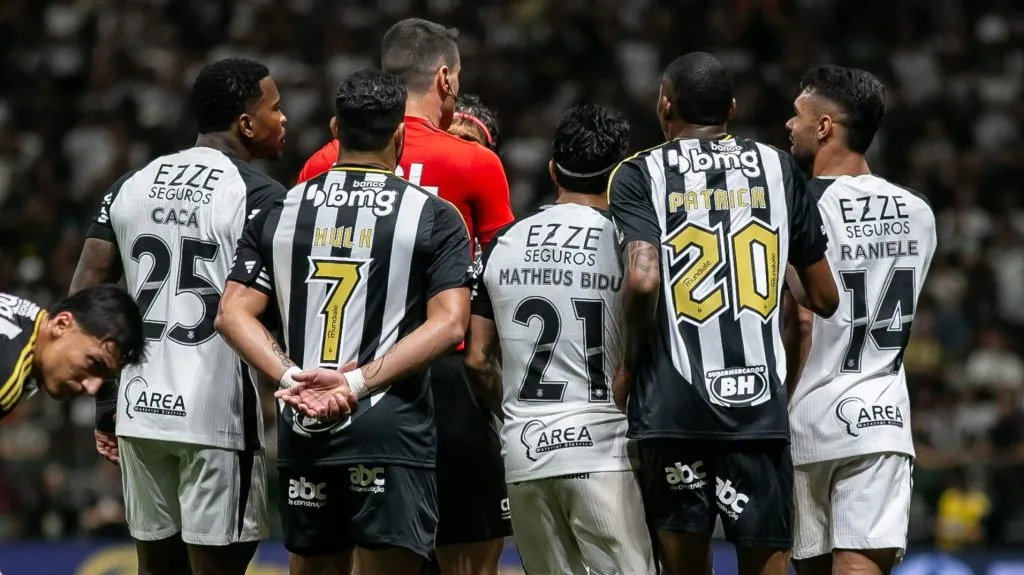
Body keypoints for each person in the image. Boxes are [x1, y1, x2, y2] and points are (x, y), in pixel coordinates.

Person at [216, 69, 472, 575]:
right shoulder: (434, 215)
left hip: (304, 424)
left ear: (336, 129)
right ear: (399, 134)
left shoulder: (280, 208)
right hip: (389, 432)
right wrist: (354, 382)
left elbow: (231, 314)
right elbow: (449, 326)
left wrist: (292, 377)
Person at [607, 51, 840, 575]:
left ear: (664, 105)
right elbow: (821, 300)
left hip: (673, 408)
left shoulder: (639, 172)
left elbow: (642, 279)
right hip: (757, 411)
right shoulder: (779, 169)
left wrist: (625, 369)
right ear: (731, 108)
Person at [298, 18, 514, 575]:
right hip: (447, 377)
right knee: (467, 558)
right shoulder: (475, 162)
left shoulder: (322, 163)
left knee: (344, 554)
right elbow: (500, 281)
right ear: (444, 79)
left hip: (345, 377)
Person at [69, 57, 288, 575]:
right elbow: (275, 312)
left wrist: (106, 408)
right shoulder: (260, 196)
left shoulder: (130, 183)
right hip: (215, 417)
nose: (284, 119)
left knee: (157, 567)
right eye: (275, 108)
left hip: (139, 411)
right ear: (246, 123)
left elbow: (83, 300)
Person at [466, 103, 656, 574]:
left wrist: (514, 415)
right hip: (604, 448)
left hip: (525, 453)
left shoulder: (503, 242)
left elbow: (475, 359)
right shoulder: (629, 246)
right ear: (619, 176)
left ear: (553, 169)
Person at [784, 65, 936, 575]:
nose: (789, 124)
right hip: (880, 420)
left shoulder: (796, 206)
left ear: (825, 127)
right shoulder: (919, 211)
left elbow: (801, 322)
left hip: (808, 417)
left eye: (799, 115)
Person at [0, 286, 145, 418]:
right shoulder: (7, 376)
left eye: (104, 378)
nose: (92, 389)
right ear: (61, 324)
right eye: (94, 363)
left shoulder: (23, 319)